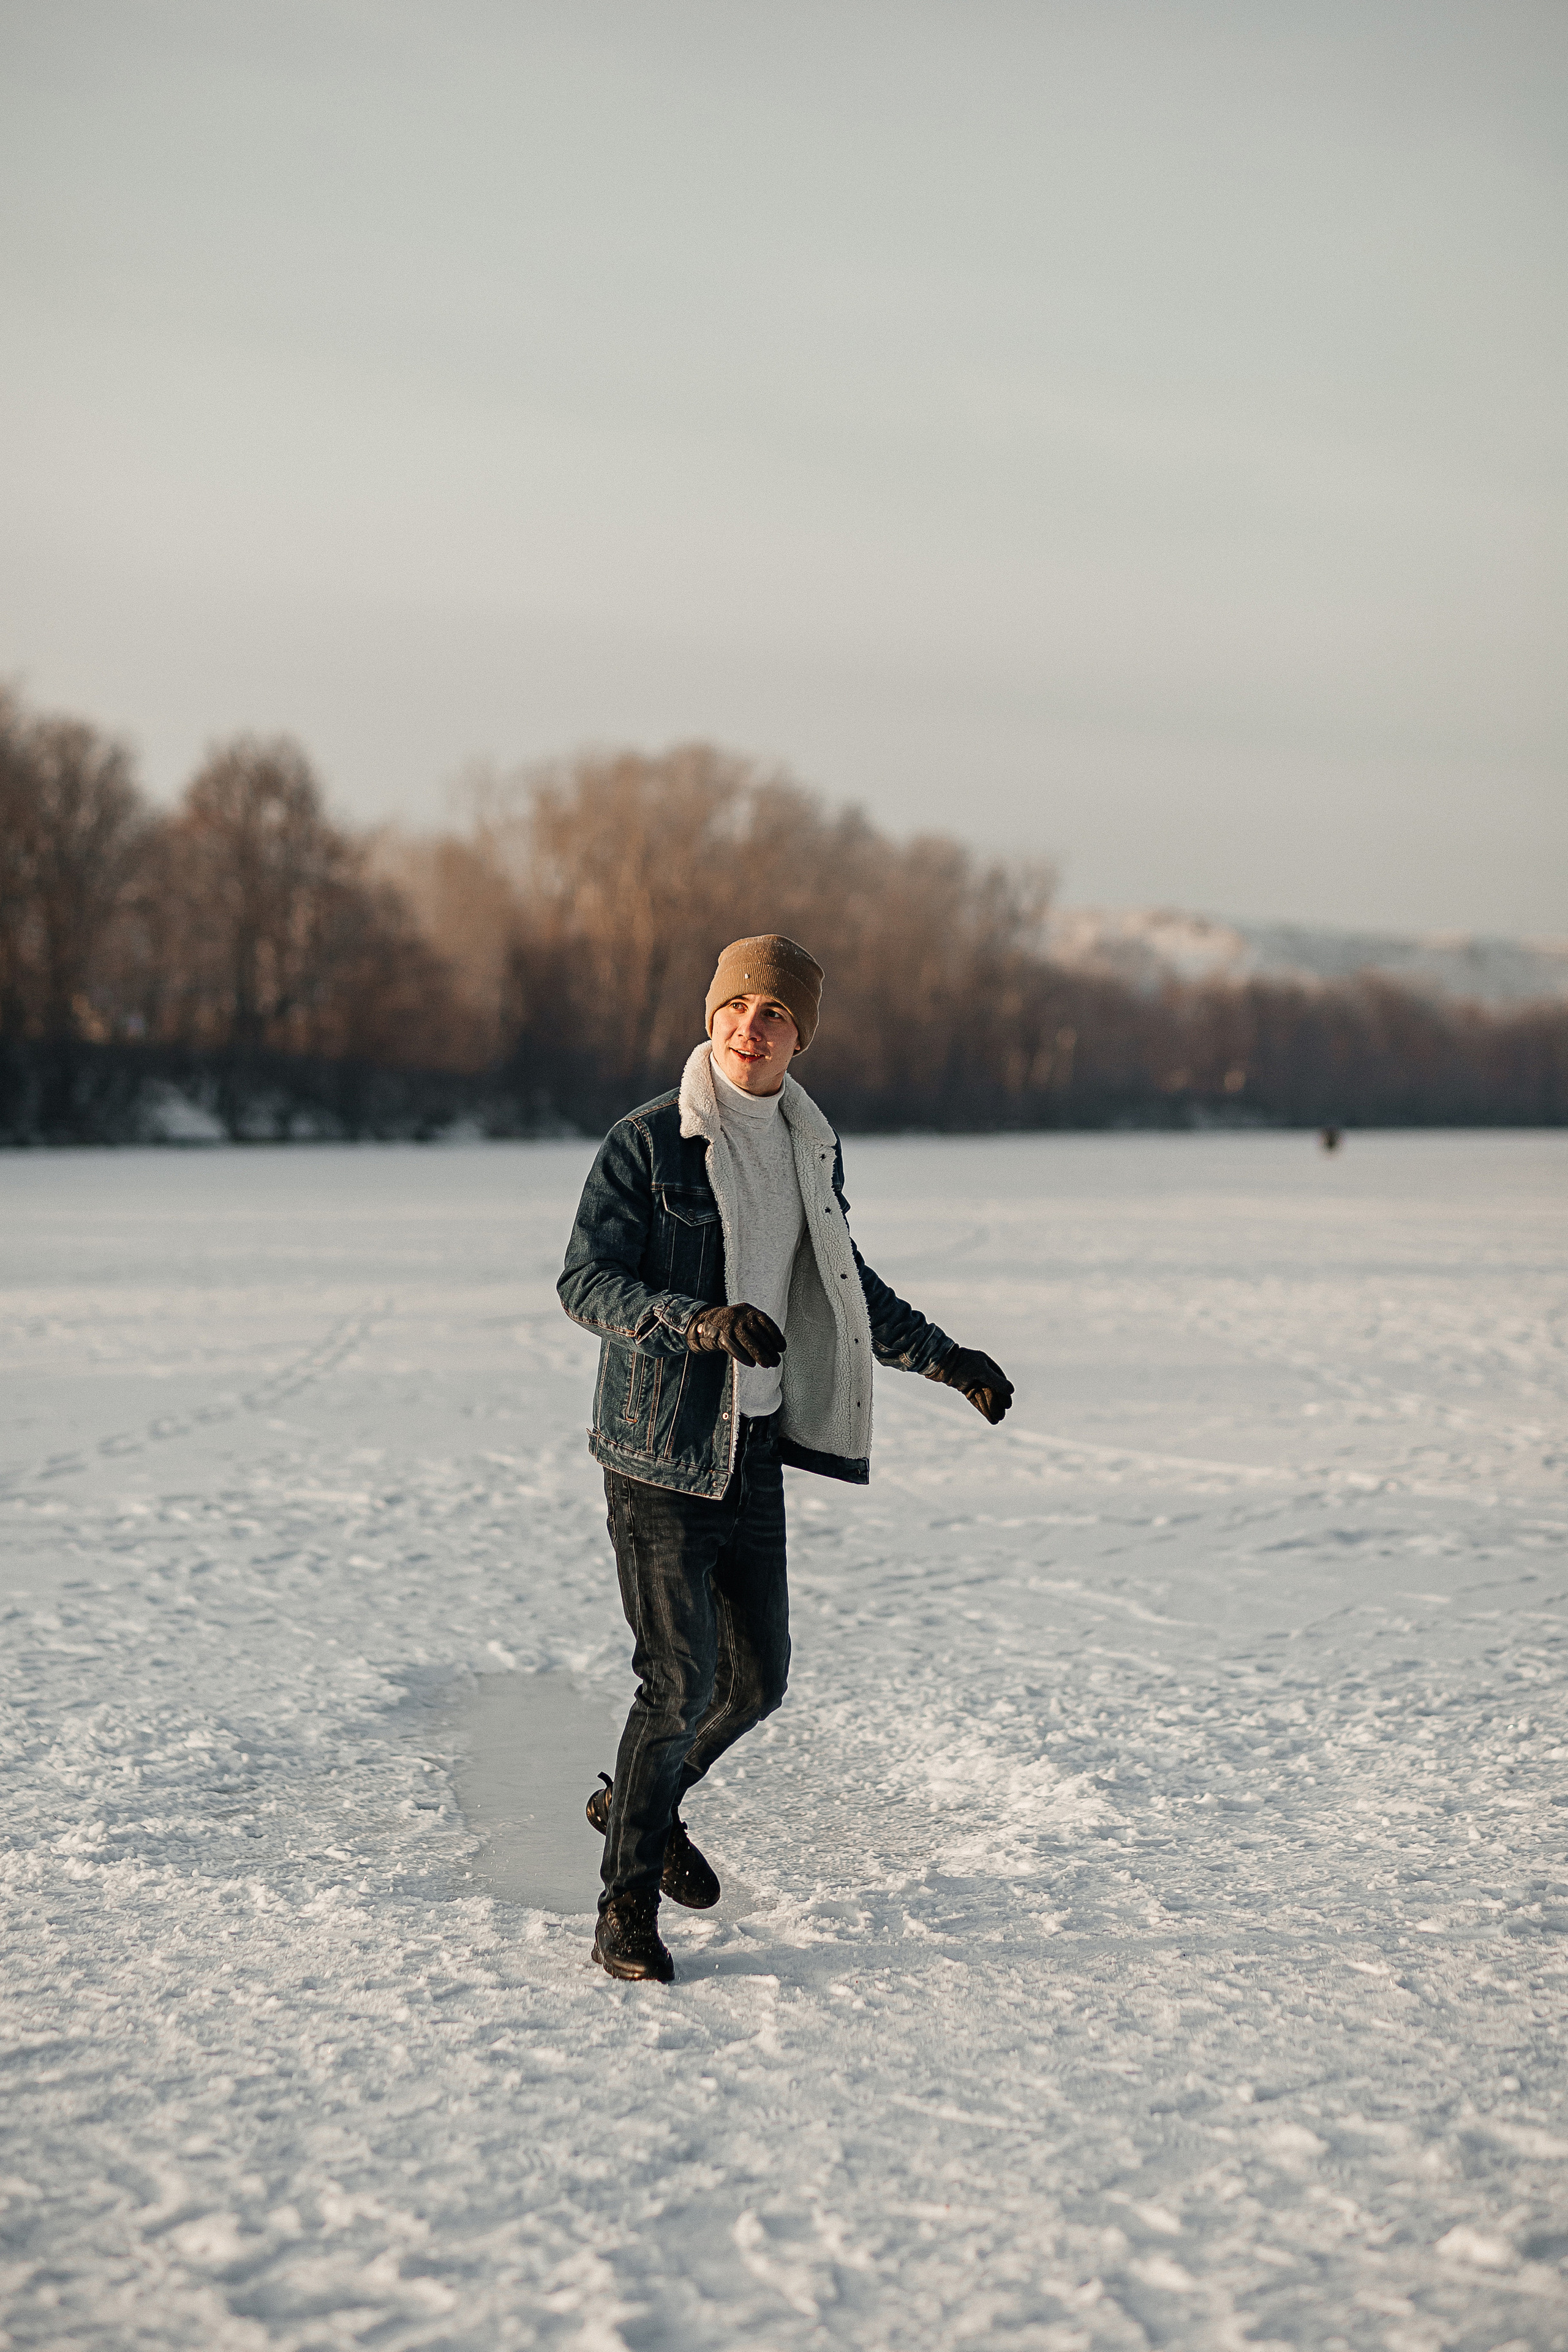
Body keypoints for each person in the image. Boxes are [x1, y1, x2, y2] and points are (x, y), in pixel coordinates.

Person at [557, 934, 1014, 1983]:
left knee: (757, 1681)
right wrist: (697, 1322)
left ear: (801, 1035)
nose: (749, 1031)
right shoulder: (647, 1142)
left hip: (752, 1447)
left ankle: (636, 1800)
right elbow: (586, 1283)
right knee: (676, 1680)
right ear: (709, 1014)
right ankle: (624, 1909)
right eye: (735, 1009)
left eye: (774, 1016)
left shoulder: (812, 1145)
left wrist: (948, 1360)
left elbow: (846, 1284)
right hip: (660, 1449)